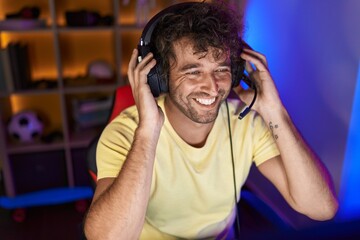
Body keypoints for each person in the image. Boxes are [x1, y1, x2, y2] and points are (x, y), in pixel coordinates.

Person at [84, 1, 338, 239]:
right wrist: (148, 132)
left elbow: (321, 208)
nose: (212, 86)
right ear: (160, 76)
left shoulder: (245, 122)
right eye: (193, 71)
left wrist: (275, 111)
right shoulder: (125, 133)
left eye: (221, 70)